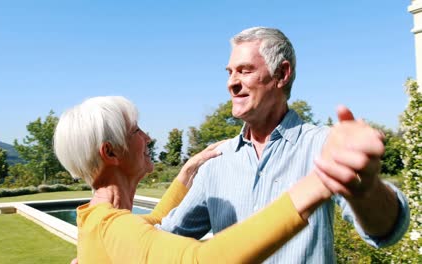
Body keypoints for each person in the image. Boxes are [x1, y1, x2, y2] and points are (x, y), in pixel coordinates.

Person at [158, 27, 410, 263]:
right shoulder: (216, 160)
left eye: (244, 71)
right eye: (229, 72)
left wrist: (367, 191)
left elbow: (387, 230)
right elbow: (166, 239)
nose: (231, 83)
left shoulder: (323, 145)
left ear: (282, 74)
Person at [54, 96, 378, 263]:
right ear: (111, 152)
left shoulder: (96, 219)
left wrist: (186, 173)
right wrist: (320, 181)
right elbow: (206, 259)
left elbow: (150, 223)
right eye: (136, 130)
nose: (149, 137)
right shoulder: (115, 228)